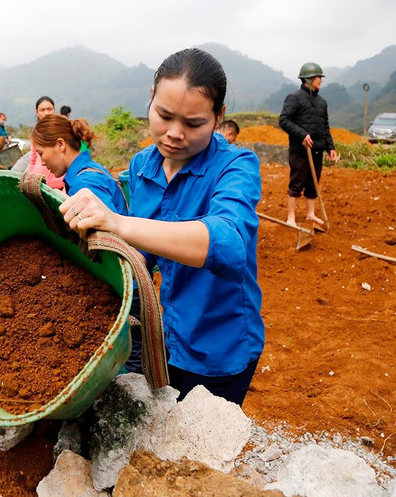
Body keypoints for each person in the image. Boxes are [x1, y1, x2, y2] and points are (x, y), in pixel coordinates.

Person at [59, 48, 263, 405]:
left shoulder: (236, 166)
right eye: (164, 115)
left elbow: (228, 244)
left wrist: (119, 223)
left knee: (201, 451)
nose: (174, 134)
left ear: (219, 117)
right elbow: (143, 256)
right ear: (151, 98)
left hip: (220, 347)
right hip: (167, 339)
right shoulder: (141, 168)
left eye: (194, 123)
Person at [279, 62, 339, 227]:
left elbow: (325, 126)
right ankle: (291, 216)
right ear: (308, 79)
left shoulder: (322, 102)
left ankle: (310, 214)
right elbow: (284, 120)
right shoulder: (294, 98)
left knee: (314, 182)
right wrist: (302, 135)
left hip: (317, 149)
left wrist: (330, 147)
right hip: (300, 150)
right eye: (318, 77)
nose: (321, 81)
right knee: (297, 181)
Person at [32, 114, 126, 214]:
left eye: (41, 153)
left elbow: (105, 227)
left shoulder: (85, 183)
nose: (42, 163)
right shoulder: (90, 170)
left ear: (60, 145)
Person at [15, 96, 65, 189]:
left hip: (59, 183)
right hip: (39, 184)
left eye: (49, 109)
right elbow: (33, 159)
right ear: (37, 112)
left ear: (54, 110)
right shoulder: (36, 133)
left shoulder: (62, 129)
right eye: (42, 110)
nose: (46, 113)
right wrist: (30, 177)